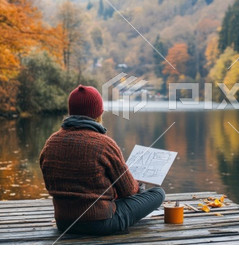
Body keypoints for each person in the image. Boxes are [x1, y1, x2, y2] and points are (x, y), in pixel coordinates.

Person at [39, 85, 165, 235]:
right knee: (158, 193)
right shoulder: (104, 144)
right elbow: (129, 191)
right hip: (101, 223)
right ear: (99, 113)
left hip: (64, 223)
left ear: (71, 112)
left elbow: (50, 182)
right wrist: (138, 184)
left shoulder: (51, 142)